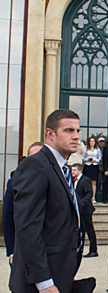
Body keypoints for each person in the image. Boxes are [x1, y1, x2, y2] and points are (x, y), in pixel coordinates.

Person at [10, 109, 83, 293]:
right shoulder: (35, 166)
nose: (76, 136)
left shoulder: (62, 169)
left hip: (60, 275)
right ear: (50, 134)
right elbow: (28, 228)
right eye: (69, 130)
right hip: (39, 285)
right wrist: (43, 282)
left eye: (78, 131)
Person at [3, 142, 43, 268]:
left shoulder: (55, 181)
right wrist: (11, 252)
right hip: (21, 249)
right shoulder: (15, 182)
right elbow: (8, 217)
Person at [71, 163, 98, 258]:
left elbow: (89, 194)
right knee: (80, 230)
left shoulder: (85, 180)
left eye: (74, 170)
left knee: (89, 229)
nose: (72, 172)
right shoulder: (73, 181)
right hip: (78, 209)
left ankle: (93, 250)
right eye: (72, 170)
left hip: (85, 209)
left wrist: (80, 203)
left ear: (80, 171)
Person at [83, 136, 102, 202]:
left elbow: (99, 159)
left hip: (94, 167)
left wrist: (95, 160)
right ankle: (86, 197)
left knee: (93, 182)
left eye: (93, 141)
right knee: (86, 182)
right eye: (91, 141)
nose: (92, 143)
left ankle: (93, 197)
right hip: (87, 166)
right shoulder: (86, 149)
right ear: (89, 142)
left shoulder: (98, 149)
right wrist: (88, 159)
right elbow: (83, 158)